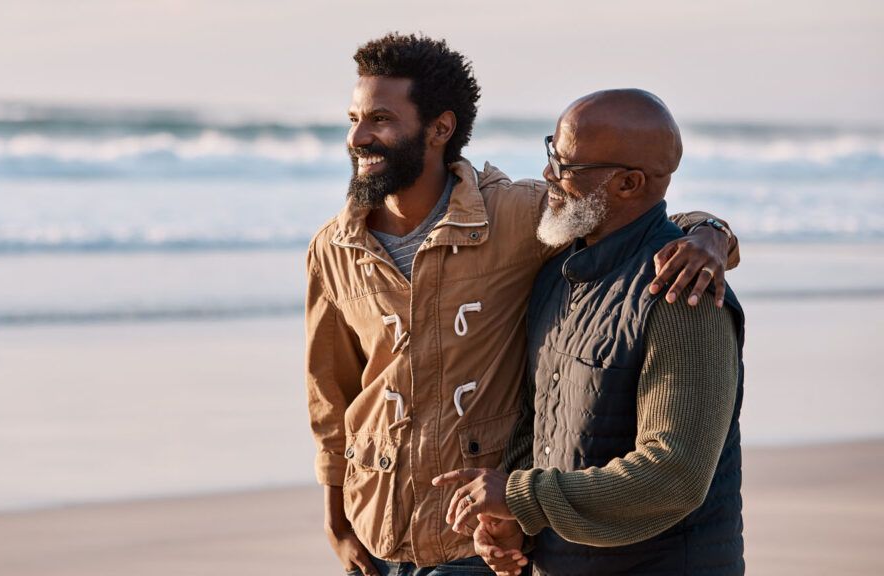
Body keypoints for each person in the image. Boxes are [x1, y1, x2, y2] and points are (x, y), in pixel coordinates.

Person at [306, 34, 739, 576]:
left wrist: (712, 235)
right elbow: (331, 395)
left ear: (440, 128)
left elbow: (640, 218)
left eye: (381, 119)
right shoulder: (333, 248)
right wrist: (337, 522)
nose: (359, 136)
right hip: (380, 532)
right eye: (354, 118)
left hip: (473, 541)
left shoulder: (521, 217)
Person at [433, 89, 745, 575]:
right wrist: (517, 522)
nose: (548, 176)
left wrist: (521, 496)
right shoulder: (557, 274)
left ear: (628, 183)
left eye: (566, 165)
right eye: (550, 153)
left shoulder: (683, 297)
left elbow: (674, 475)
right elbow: (538, 425)